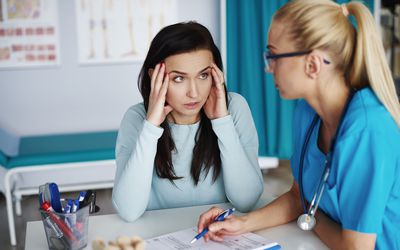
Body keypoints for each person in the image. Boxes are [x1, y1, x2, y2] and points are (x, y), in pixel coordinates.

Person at [196, 1, 400, 249]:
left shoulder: (367, 129)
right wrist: (242, 223)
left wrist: (310, 217)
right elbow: (297, 196)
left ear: (313, 65)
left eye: (273, 56)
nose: (267, 68)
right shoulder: (308, 112)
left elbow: (355, 247)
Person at [112, 22, 264, 222]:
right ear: (154, 77)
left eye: (203, 75)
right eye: (178, 79)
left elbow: (247, 201)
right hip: (158, 235)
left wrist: (222, 122)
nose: (194, 92)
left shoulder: (233, 107)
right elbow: (128, 211)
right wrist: (150, 127)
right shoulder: (137, 117)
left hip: (218, 236)